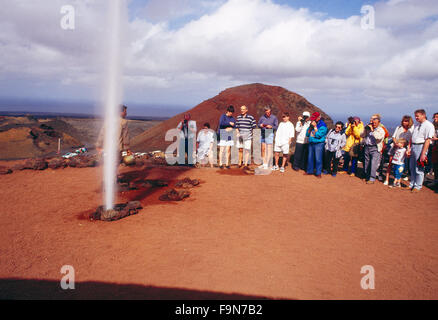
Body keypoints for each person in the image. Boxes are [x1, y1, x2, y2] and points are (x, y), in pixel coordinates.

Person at [407, 109, 435, 192]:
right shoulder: (417, 125)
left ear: (423, 115)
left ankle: (418, 186)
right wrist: (409, 148)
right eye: (415, 116)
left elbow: (427, 140)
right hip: (414, 146)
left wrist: (423, 153)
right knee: (412, 167)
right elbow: (412, 137)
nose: (416, 118)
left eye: (417, 116)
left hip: (421, 146)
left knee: (419, 168)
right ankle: (412, 184)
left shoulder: (429, 125)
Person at [384, 115, 414, 184]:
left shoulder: (411, 130)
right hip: (395, 148)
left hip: (403, 150)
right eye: (403, 121)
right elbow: (394, 137)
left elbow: (410, 140)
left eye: (406, 121)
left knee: (400, 164)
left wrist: (406, 148)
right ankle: (387, 179)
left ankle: (397, 180)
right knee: (390, 163)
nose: (404, 122)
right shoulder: (398, 128)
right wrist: (396, 144)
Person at [361, 114, 386, 184]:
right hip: (367, 146)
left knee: (373, 163)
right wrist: (365, 130)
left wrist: (372, 130)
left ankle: (372, 178)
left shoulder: (381, 129)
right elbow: (361, 135)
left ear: (378, 121)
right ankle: (367, 175)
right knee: (366, 162)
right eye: (371, 119)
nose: (372, 121)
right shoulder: (368, 128)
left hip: (375, 148)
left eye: (374, 119)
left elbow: (378, 137)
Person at [305, 112, 328, 178]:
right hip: (311, 142)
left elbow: (318, 135)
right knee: (310, 157)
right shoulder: (312, 123)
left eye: (315, 118)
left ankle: (318, 173)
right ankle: (309, 171)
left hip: (319, 143)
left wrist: (315, 127)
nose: (313, 120)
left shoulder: (323, 125)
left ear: (319, 118)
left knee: (318, 158)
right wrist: (310, 127)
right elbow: (307, 134)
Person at [430, 112, 438, 187]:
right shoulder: (433, 126)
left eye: (437, 117)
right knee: (435, 165)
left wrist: (436, 138)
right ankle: (435, 181)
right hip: (434, 147)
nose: (435, 118)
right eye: (434, 117)